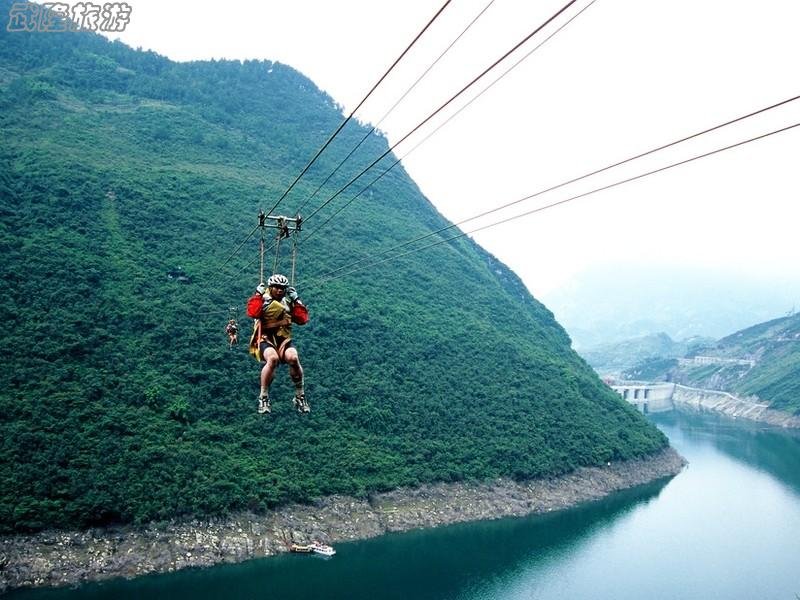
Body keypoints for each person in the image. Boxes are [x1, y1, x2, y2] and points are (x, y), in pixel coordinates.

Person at [254, 273, 309, 414]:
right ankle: (264, 396)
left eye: (282, 288)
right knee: (273, 359)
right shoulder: (263, 301)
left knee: (293, 358)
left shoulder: (287, 302)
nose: (280, 290)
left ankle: (300, 394)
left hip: (283, 338)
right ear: (271, 288)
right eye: (277, 287)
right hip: (265, 338)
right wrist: (257, 295)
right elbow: (253, 312)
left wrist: (296, 300)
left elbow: (302, 319)